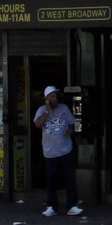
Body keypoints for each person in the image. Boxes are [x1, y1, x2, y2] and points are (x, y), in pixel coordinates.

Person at [33, 85, 83, 217]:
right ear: (47, 99)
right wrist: (47, 111)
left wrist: (70, 130)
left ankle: (72, 205)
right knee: (51, 180)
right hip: (50, 152)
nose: (55, 99)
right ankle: (51, 206)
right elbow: (37, 124)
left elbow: (72, 123)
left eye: (55, 96)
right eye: (52, 97)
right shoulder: (41, 110)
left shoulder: (64, 108)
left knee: (70, 179)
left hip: (66, 150)